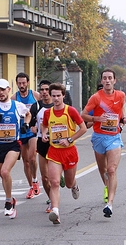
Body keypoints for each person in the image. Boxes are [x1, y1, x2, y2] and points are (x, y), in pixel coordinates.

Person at [81, 68, 126, 218]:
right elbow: (83, 114)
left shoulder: (121, 95)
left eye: (110, 78)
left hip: (114, 137)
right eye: (105, 78)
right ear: (102, 81)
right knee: (103, 170)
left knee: (111, 169)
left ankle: (109, 204)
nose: (107, 80)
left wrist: (124, 120)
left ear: (114, 81)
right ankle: (107, 187)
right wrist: (97, 119)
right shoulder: (96, 98)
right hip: (98, 137)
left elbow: (119, 112)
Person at [41, 83, 87, 224]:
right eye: (53, 96)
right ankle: (55, 211)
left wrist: (69, 139)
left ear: (63, 96)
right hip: (54, 151)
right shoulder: (48, 113)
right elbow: (44, 125)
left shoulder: (70, 111)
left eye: (58, 96)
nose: (55, 98)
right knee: (54, 182)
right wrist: (44, 134)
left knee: (67, 183)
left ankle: (74, 185)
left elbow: (83, 128)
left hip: (69, 152)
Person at [0, 78, 30, 219]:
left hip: (13, 144)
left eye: (3, 90)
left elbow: (28, 114)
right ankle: (11, 199)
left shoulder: (17, 105)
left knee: (5, 172)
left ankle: (8, 202)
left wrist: (26, 124)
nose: (1, 93)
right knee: (3, 176)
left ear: (8, 90)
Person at [11, 72, 41, 199]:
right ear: (16, 84)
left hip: (33, 131)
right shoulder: (14, 98)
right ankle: (31, 186)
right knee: (26, 161)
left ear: (28, 82)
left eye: (24, 83)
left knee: (32, 157)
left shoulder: (35, 95)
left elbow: (43, 108)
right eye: (19, 83)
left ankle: (35, 180)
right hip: (21, 132)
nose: (22, 85)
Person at [29, 80, 55, 213]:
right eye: (42, 90)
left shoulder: (58, 105)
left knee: (54, 176)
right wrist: (32, 127)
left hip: (57, 143)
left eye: (46, 89)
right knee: (45, 177)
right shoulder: (36, 107)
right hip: (42, 141)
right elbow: (30, 121)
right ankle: (52, 200)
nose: (44, 92)